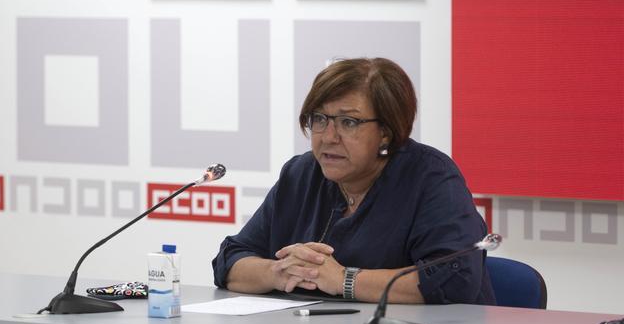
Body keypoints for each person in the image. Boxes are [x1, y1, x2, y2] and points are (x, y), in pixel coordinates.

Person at [211, 58, 495, 304]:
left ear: (386, 132)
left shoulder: (430, 178)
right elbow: (230, 261)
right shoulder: (301, 174)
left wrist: (343, 280)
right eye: (320, 119)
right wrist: (278, 272)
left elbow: (455, 278)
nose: (328, 137)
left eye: (348, 122)